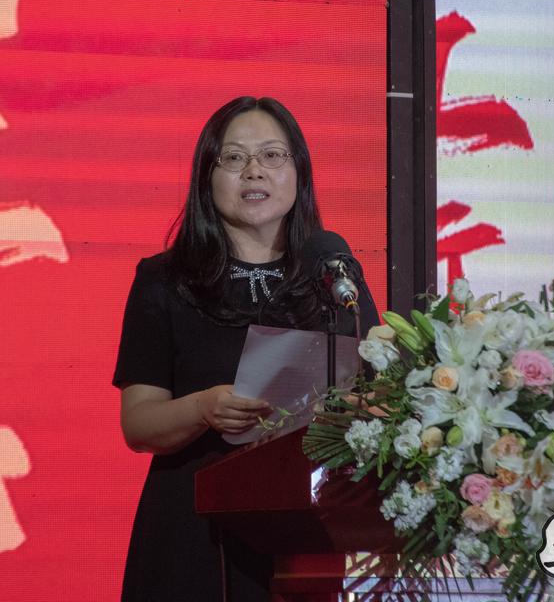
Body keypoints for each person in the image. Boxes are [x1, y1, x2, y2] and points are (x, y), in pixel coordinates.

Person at [112, 96, 378, 602]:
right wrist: (202, 408)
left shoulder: (334, 273)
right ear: (206, 178)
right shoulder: (164, 280)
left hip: (306, 529)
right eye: (233, 158)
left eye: (273, 155)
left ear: (299, 172)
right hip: (191, 532)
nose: (254, 170)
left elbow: (377, 391)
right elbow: (138, 423)